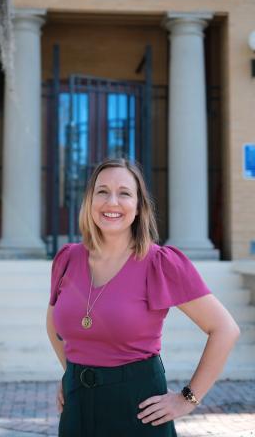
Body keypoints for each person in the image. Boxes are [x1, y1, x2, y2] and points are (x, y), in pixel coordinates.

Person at [46, 158, 240, 437]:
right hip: (77, 407)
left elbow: (225, 329)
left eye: (124, 193)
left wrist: (188, 399)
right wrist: (73, 372)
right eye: (102, 191)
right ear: (89, 201)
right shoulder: (67, 258)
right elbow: (53, 326)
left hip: (139, 409)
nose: (112, 201)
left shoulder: (161, 263)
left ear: (138, 207)